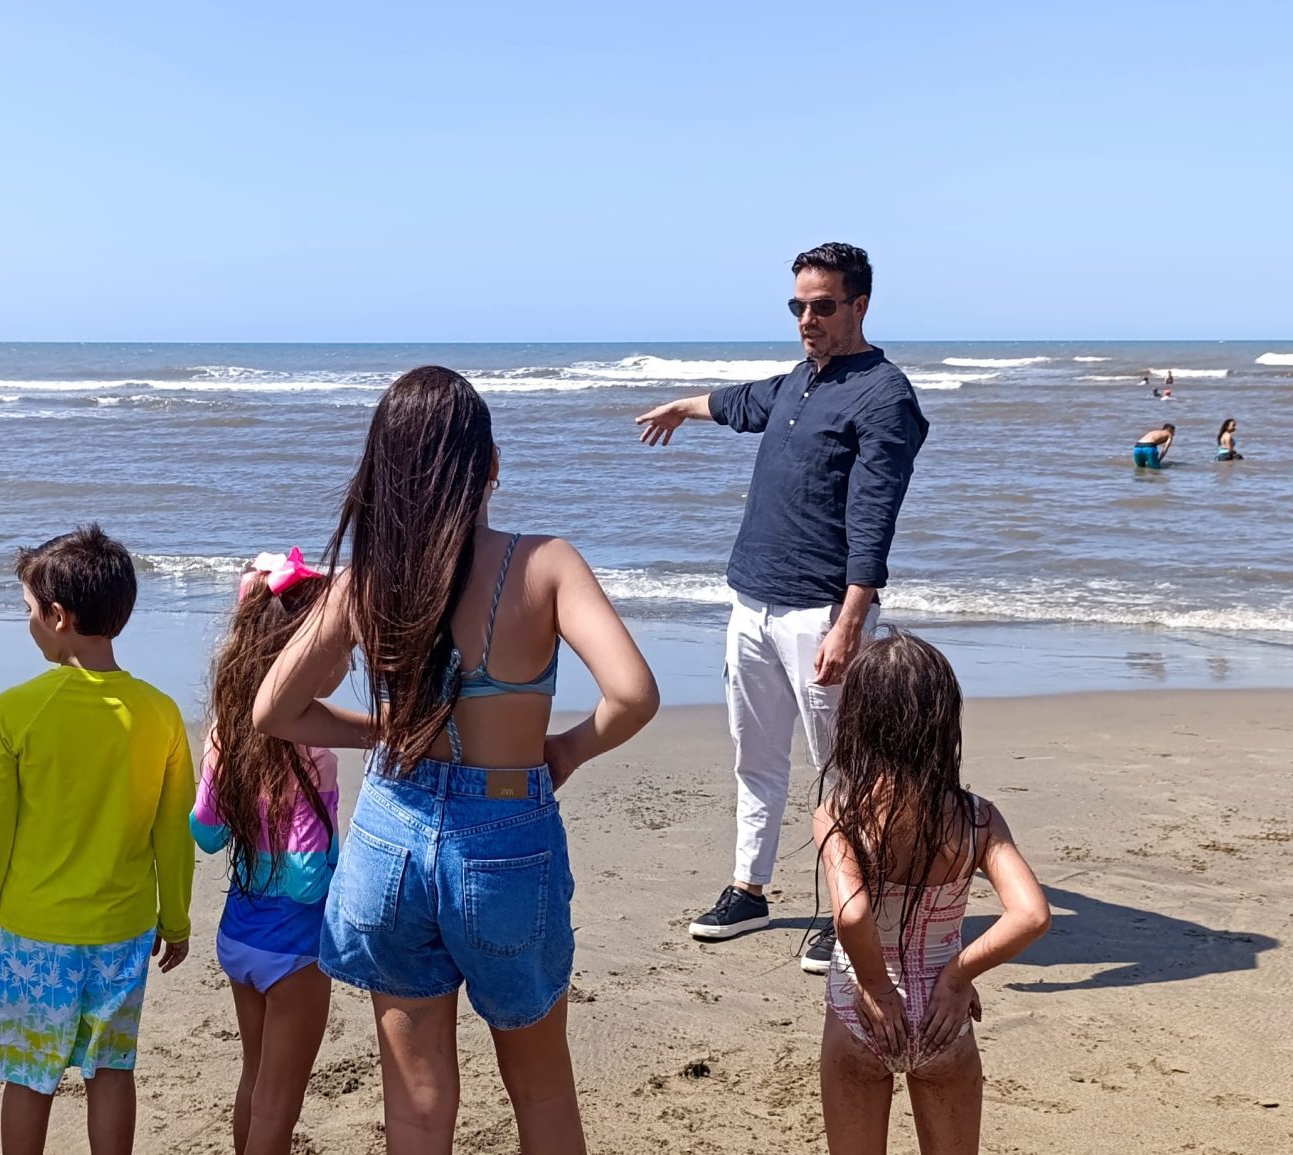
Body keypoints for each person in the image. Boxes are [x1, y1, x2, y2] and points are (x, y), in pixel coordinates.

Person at [257, 366, 659, 1154]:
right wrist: (569, 750)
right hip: (505, 836)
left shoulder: (370, 577)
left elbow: (276, 708)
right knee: (540, 1090)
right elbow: (633, 693)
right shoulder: (545, 563)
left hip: (389, 838)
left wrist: (387, 729)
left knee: (415, 1100)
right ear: (492, 465)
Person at [633, 242, 930, 972]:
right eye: (797, 305)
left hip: (820, 614)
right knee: (756, 758)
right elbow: (740, 403)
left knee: (844, 769)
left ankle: (845, 908)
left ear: (859, 305)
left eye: (822, 306)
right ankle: (749, 888)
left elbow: (875, 514)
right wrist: (685, 406)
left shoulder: (883, 396)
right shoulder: (800, 381)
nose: (806, 318)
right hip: (752, 604)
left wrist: (851, 620)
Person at [0, 525, 194, 1155]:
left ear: (59, 617)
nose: (29, 624)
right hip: (122, 926)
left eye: (31, 612)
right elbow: (172, 831)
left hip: (36, 929)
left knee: (30, 1073)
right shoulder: (161, 712)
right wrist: (175, 917)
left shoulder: (18, 708)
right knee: (112, 1069)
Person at [814, 632, 1050, 1155]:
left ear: (857, 722)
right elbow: (1031, 915)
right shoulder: (977, 819)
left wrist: (876, 988)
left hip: (863, 1012)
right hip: (943, 1018)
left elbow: (852, 917)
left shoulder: (841, 813)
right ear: (944, 721)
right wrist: (958, 975)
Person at [191, 547, 338, 1155]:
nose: (346, 657)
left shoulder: (227, 730)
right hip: (293, 949)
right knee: (281, 1102)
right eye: (335, 648)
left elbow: (206, 833)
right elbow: (306, 876)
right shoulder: (314, 751)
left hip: (239, 935)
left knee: (254, 1080)